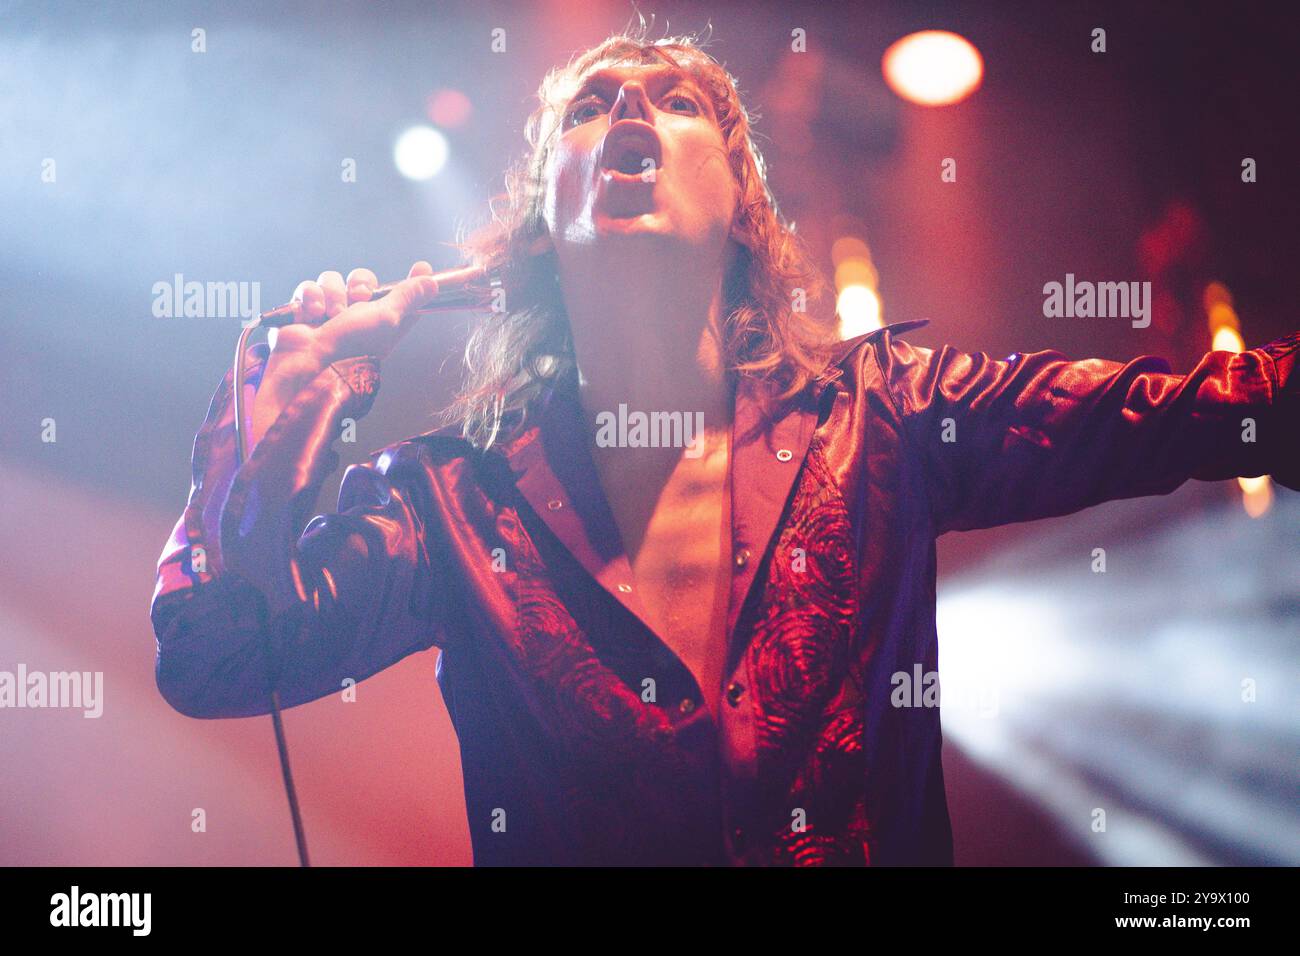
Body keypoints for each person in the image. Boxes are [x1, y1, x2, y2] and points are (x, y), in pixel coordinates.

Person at [150, 29, 1298, 866]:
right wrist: (266, 447)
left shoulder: (879, 411)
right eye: (592, 105)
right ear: (543, 220)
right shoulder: (449, 501)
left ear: (744, 204)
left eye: (676, 99)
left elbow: (1209, 403)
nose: (631, 111)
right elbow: (218, 656)